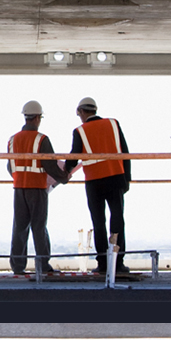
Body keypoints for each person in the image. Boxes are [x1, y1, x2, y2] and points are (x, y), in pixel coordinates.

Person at [63, 97, 131, 275]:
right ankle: (118, 262)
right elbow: (125, 152)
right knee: (117, 219)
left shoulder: (79, 131)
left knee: (99, 222)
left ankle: (103, 263)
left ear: (82, 112)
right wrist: (127, 179)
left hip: (94, 182)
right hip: (116, 177)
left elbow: (74, 157)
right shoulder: (113, 124)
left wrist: (63, 174)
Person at [7, 100, 68, 275]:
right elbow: (51, 166)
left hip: (19, 188)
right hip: (38, 188)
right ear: (38, 118)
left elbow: (10, 167)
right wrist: (64, 178)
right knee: (39, 227)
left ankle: (18, 267)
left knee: (19, 227)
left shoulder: (12, 140)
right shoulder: (41, 139)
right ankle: (42, 265)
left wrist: (21, 178)